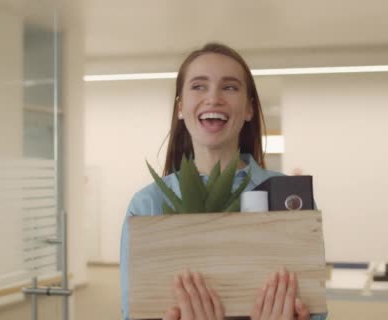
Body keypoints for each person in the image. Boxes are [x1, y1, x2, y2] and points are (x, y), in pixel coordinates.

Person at [120, 43, 326, 320]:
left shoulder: (291, 198)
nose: (213, 98)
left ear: (249, 109)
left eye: (229, 87)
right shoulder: (148, 204)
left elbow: (314, 307)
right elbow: (133, 311)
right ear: (181, 108)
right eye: (198, 86)